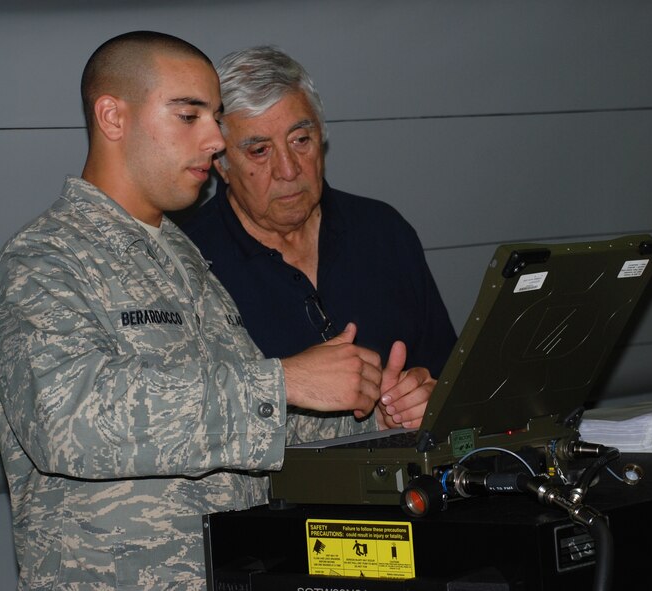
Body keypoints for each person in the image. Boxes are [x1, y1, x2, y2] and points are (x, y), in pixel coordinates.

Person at [0, 31, 424, 590]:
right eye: (190, 116)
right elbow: (67, 421)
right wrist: (281, 381)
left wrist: (371, 412)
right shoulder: (44, 261)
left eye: (215, 116)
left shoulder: (181, 257)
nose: (215, 139)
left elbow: (240, 431)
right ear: (113, 117)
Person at [182, 46, 458, 428]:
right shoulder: (187, 260)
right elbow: (184, 425)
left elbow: (451, 378)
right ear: (221, 164)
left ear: (322, 136)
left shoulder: (383, 230)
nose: (288, 169)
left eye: (300, 140)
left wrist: (426, 396)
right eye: (260, 151)